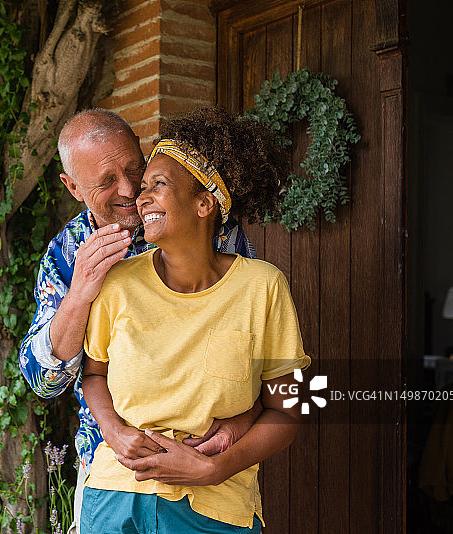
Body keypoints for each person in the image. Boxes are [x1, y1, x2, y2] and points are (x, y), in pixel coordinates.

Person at [18, 109, 261, 532]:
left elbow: (272, 376)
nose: (130, 189)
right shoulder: (66, 255)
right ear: (72, 187)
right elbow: (47, 381)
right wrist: (80, 293)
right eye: (106, 181)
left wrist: (235, 433)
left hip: (211, 476)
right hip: (113, 477)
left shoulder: (222, 239)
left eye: (135, 168)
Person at [80, 106, 311, 533]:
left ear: (204, 203)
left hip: (214, 509)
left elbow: (294, 408)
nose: (140, 197)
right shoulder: (119, 283)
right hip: (114, 498)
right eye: (143, 185)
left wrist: (216, 469)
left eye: (158, 185)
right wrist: (112, 431)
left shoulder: (262, 287)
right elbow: (92, 375)